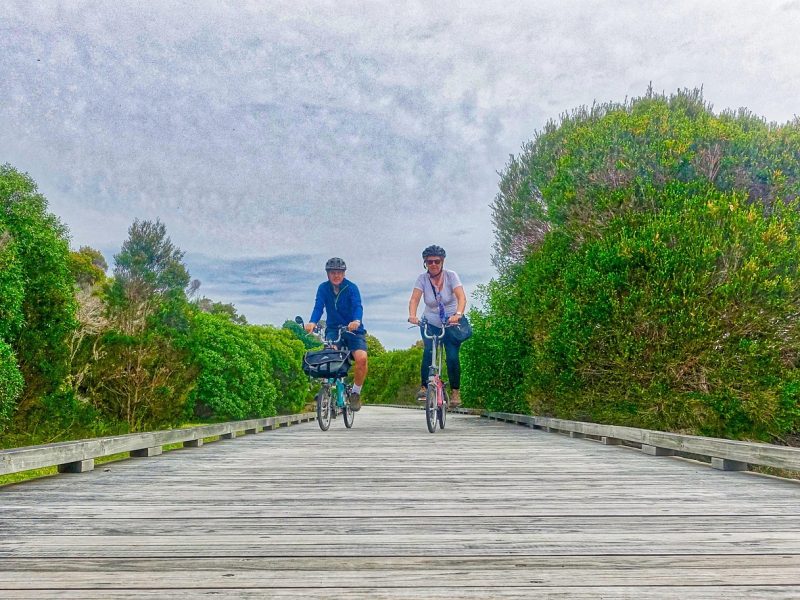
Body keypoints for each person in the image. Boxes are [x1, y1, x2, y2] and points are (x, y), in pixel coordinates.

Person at [305, 257, 368, 411]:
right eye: (333, 272)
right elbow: (318, 307)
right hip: (333, 329)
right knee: (329, 355)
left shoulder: (351, 287)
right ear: (328, 274)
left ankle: (355, 393)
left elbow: (357, 306)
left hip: (353, 329)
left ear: (344, 273)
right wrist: (312, 322)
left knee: (362, 359)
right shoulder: (323, 288)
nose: (336, 276)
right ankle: (327, 388)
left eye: (339, 272)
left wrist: (356, 321)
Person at [407, 245, 467, 407]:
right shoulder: (422, 279)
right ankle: (424, 387)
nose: (433, 264)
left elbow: (461, 297)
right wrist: (412, 315)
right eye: (429, 262)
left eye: (437, 261)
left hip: (451, 323)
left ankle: (455, 392)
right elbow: (414, 299)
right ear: (425, 263)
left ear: (442, 262)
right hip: (431, 322)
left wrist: (458, 314)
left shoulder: (451, 276)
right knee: (428, 351)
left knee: (453, 357)